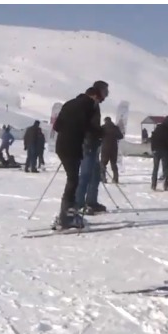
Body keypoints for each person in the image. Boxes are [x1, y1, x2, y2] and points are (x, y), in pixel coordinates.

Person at [52, 83, 105, 229]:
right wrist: (102, 133)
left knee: (72, 179)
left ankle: (66, 214)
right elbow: (87, 127)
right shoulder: (89, 106)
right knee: (73, 180)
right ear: (94, 95)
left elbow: (56, 126)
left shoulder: (69, 103)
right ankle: (66, 217)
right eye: (99, 98)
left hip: (61, 145)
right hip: (73, 146)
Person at [76, 82, 109, 215]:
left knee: (95, 175)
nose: (106, 94)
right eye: (105, 91)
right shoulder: (87, 104)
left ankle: (91, 201)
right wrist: (98, 132)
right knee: (85, 174)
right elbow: (84, 124)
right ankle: (79, 203)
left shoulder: (95, 105)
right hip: (87, 144)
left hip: (93, 143)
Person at [150, 116, 168, 191]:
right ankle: (166, 184)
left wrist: (153, 149)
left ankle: (153, 184)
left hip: (156, 150)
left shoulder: (158, 128)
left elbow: (153, 138)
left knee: (155, 168)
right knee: (165, 168)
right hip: (165, 151)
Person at [101, 116, 124, 184]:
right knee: (113, 163)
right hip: (114, 148)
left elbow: (99, 136)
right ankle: (115, 178)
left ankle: (103, 178)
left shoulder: (103, 127)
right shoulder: (115, 127)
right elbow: (121, 136)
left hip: (105, 148)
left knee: (103, 163)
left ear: (105, 121)